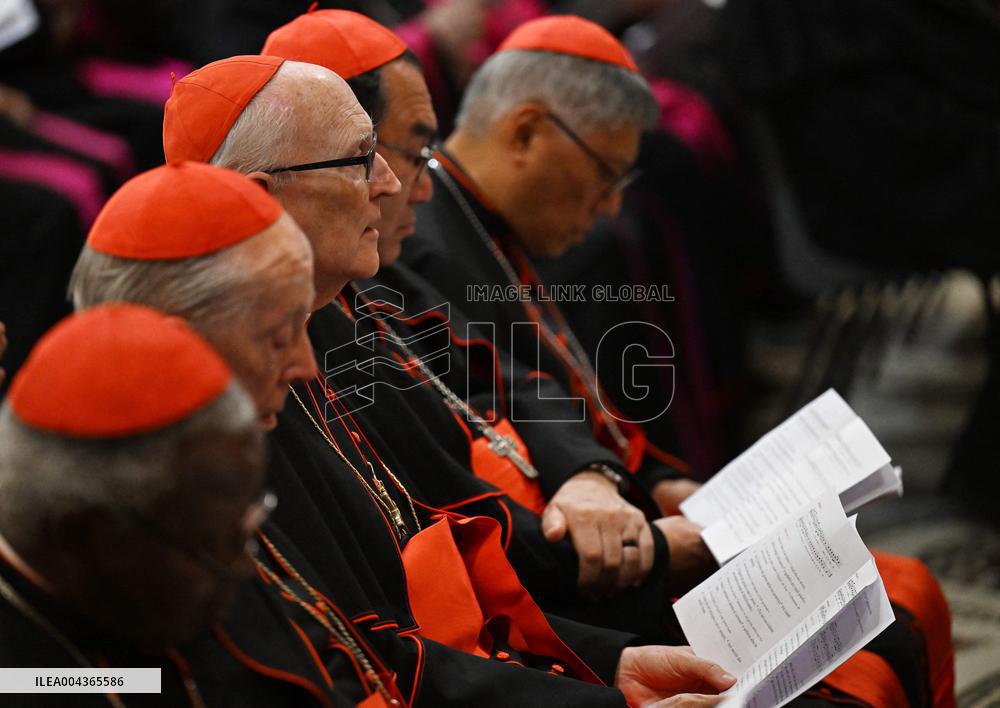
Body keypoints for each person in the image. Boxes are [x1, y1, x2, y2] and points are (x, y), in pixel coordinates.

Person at [73, 65, 737, 705]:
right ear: (263, 195)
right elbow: (357, 654)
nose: (399, 184)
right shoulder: (210, 429)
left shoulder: (309, 319)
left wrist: (607, 662)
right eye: (364, 156)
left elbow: (436, 524)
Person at [401, 14, 957, 706]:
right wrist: (634, 514)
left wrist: (655, 477)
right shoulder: (419, 248)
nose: (609, 207)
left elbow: (547, 386)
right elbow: (490, 423)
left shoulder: (485, 228)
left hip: (614, 534)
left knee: (894, 606)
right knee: (883, 633)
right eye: (605, 175)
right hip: (560, 588)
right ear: (525, 132)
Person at [258, 5, 713, 623]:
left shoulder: (382, 270)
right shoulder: (382, 264)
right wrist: (649, 551)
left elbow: (512, 380)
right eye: (390, 155)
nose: (410, 185)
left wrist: (604, 472)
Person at [0, 303, 398, 706]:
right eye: (219, 543)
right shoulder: (28, 679)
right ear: (89, 536)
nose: (245, 567)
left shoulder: (172, 550)